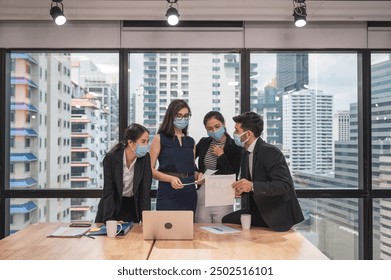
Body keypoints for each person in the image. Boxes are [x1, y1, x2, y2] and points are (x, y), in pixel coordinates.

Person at [222, 112, 304, 232]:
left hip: (276, 213)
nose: (234, 134)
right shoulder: (245, 152)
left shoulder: (270, 152)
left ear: (248, 134)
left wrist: (251, 186)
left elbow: (284, 185)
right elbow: (249, 183)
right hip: (257, 210)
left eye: (236, 130)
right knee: (227, 220)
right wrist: (240, 190)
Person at [95, 123, 152, 223]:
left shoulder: (145, 158)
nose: (146, 145)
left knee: (132, 237)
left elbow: (145, 191)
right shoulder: (111, 158)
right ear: (130, 142)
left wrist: (146, 219)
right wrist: (110, 219)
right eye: (143, 142)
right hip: (111, 206)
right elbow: (109, 190)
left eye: (147, 141)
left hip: (131, 207)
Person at [149, 99, 197, 212]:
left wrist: (198, 176)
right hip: (168, 192)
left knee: (187, 228)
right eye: (179, 115)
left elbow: (191, 168)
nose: (183, 119)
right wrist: (170, 179)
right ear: (171, 116)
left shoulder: (191, 141)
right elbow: (150, 170)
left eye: (186, 116)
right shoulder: (159, 138)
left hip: (189, 191)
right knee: (165, 227)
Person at [195, 111, 243, 223]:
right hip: (204, 192)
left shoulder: (235, 146)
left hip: (223, 194)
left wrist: (221, 155)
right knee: (201, 230)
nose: (214, 131)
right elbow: (188, 159)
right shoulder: (204, 142)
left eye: (217, 126)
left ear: (224, 124)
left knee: (223, 231)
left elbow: (232, 174)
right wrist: (196, 172)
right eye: (210, 128)